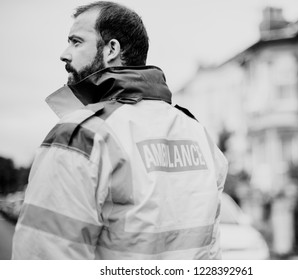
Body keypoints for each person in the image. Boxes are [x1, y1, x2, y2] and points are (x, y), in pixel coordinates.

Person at [12, 1, 228, 259]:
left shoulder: (81, 134)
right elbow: (211, 252)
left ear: (111, 49)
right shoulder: (198, 134)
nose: (64, 53)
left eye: (76, 41)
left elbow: (45, 258)